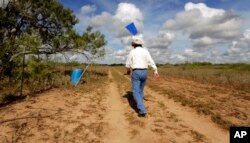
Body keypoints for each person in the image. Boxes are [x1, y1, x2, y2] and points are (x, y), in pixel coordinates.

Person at [125, 38, 159, 117]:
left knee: (136, 91)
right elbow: (151, 62)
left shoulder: (132, 52)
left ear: (133, 45)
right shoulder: (146, 51)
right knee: (140, 90)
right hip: (144, 72)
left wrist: (128, 71)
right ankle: (137, 102)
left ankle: (142, 110)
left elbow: (127, 64)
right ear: (141, 44)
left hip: (136, 72)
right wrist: (155, 71)